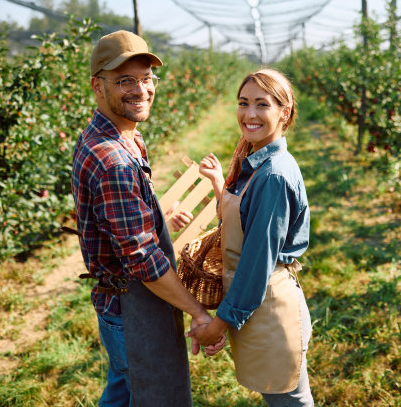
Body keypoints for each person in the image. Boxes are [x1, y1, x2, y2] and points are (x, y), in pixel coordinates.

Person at [71, 30, 224, 407]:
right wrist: (198, 312)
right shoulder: (113, 161)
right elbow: (142, 259)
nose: (141, 89)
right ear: (97, 86)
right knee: (152, 394)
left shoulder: (126, 138)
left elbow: (124, 220)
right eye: (124, 80)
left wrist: (160, 218)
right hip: (131, 308)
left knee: (124, 389)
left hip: (124, 302)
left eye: (146, 78)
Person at [190, 69, 314, 406]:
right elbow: (241, 223)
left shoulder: (273, 175)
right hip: (255, 305)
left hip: (268, 306)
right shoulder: (255, 163)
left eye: (262, 104)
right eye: (243, 103)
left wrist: (219, 324)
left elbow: (256, 264)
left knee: (290, 400)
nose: (249, 114)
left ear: (283, 112)